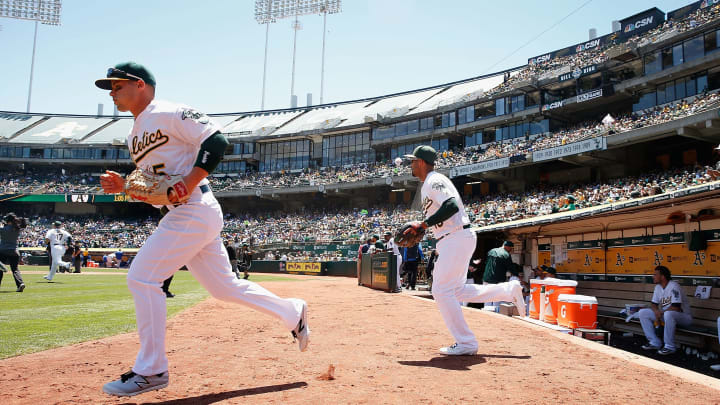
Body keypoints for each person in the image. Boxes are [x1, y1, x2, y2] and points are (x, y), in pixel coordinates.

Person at [96, 62, 309, 396]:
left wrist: (190, 180)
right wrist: (124, 185)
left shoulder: (169, 111)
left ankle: (151, 370)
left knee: (142, 278)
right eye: (110, 88)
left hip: (194, 207)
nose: (112, 92)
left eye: (117, 85)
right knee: (225, 288)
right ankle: (291, 311)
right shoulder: (133, 133)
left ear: (140, 84)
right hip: (184, 212)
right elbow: (155, 187)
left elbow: (217, 141)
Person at [404, 145, 524, 356]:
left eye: (413, 161)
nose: (411, 164)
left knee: (440, 291)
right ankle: (508, 290)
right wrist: (426, 225)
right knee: (455, 291)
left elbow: (451, 205)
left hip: (456, 237)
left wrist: (424, 225)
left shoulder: (434, 179)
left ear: (421, 162)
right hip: (454, 238)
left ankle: (466, 342)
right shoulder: (429, 183)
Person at [638, 265, 692, 355]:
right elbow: (654, 304)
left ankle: (669, 346)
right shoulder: (658, 287)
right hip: (666, 316)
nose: (653, 277)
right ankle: (654, 342)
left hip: (684, 317)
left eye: (655, 274)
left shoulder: (674, 286)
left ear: (662, 276)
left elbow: (676, 307)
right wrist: (656, 312)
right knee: (643, 312)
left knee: (669, 314)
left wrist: (661, 312)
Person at [0, 213, 27, 292]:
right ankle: (20, 283)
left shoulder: (3, 229)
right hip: (14, 251)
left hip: (3, 251)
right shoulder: (17, 228)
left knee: (0, 269)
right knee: (15, 269)